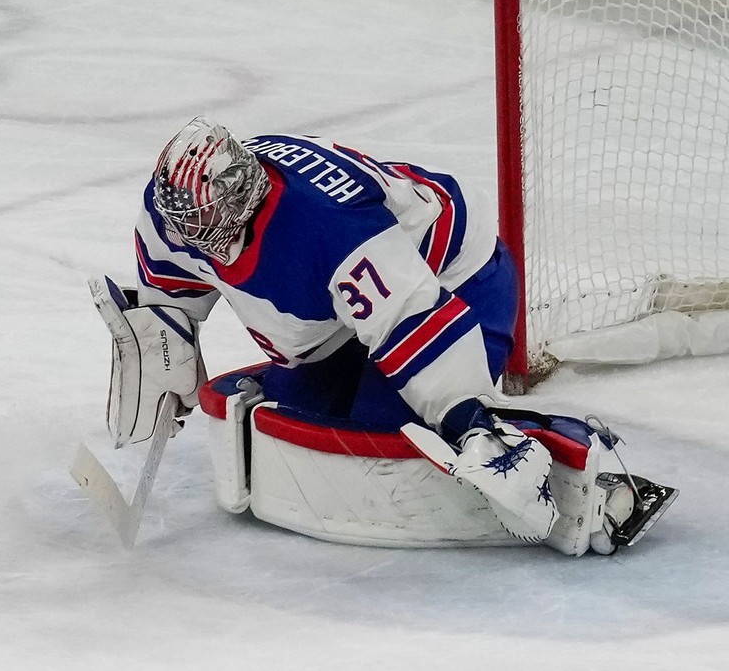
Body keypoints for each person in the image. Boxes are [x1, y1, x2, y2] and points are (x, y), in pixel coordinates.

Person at [95, 116, 675, 554]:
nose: (195, 237)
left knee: (392, 436)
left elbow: (409, 315)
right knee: (305, 423)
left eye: (206, 224)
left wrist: (465, 418)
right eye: (185, 224)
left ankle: (569, 467)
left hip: (451, 284)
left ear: (242, 198)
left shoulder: (325, 224)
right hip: (334, 313)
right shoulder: (173, 210)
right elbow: (172, 284)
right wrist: (160, 335)